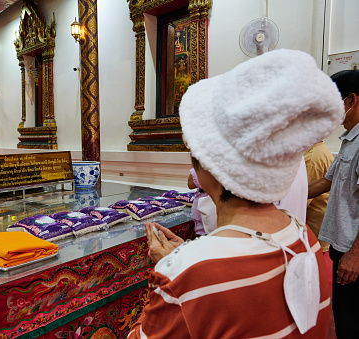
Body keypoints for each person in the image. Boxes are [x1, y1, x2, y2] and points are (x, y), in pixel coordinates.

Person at [129, 49, 343, 338]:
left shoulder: (184, 272)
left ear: (206, 165)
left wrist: (175, 266)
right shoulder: (305, 238)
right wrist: (188, 255)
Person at [308, 69, 359, 338]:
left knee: (351, 320)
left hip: (353, 250)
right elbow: (325, 183)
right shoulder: (349, 140)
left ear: (351, 101)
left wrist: (355, 254)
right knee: (343, 315)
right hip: (341, 245)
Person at [305, 142, 333, 252]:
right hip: (318, 225)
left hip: (313, 227)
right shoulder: (318, 150)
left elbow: (303, 197)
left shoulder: (313, 157)